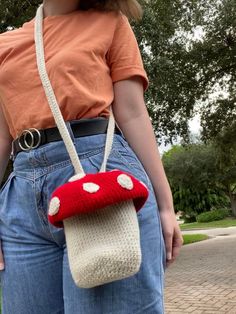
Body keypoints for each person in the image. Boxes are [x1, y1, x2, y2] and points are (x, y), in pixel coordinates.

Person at [0, 0, 183, 313]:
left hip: (100, 175)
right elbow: (3, 133)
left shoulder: (110, 22)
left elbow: (133, 114)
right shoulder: (5, 44)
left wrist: (166, 206)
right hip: (22, 197)